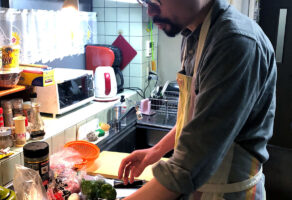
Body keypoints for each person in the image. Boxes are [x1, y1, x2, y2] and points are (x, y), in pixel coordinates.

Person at [118, 0, 277, 199]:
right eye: (145, 2)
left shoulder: (234, 43)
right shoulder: (192, 34)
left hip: (229, 193)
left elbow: (187, 168)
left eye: (156, 1)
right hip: (203, 189)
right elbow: (196, 119)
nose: (150, 12)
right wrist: (155, 151)